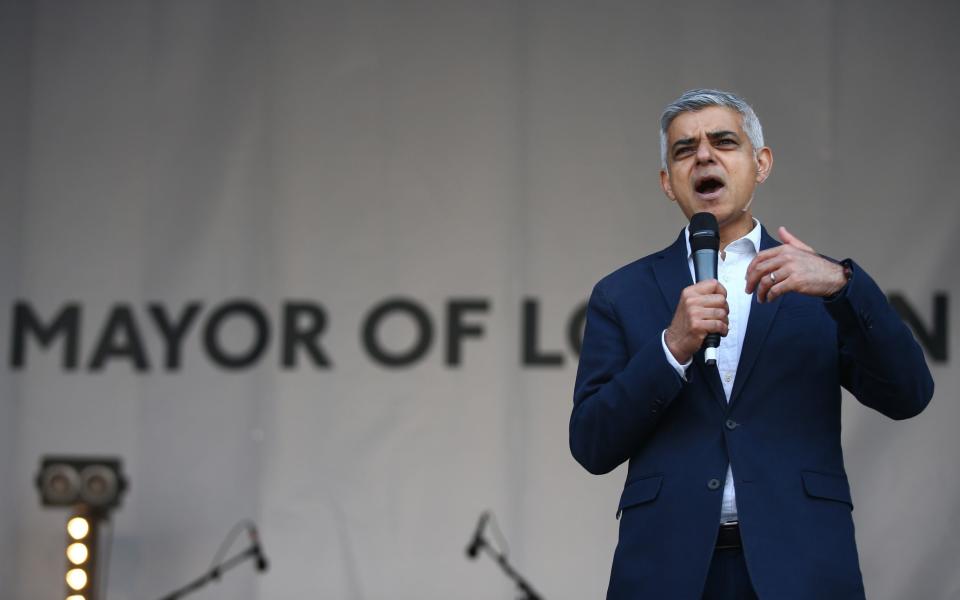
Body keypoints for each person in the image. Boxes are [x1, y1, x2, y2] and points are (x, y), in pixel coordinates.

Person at [569, 89, 934, 599]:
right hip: (667, 568)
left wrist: (843, 286)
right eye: (683, 150)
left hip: (800, 563)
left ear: (761, 164)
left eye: (724, 142)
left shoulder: (817, 282)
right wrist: (671, 347)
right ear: (667, 184)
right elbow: (590, 443)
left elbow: (909, 393)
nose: (703, 157)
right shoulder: (622, 293)